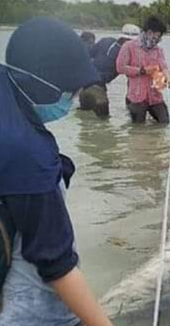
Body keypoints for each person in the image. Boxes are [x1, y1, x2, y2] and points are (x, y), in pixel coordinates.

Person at [0, 17, 114, 326]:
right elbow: (56, 264)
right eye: (70, 91)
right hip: (27, 312)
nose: (73, 99)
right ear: (42, 83)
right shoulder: (26, 154)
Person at [117, 16, 170, 125]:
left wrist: (169, 79)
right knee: (138, 129)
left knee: (165, 123)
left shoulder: (158, 50)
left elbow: (164, 66)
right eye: (159, 35)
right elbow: (120, 67)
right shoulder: (129, 46)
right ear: (150, 32)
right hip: (137, 96)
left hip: (155, 95)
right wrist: (142, 71)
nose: (159, 39)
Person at [79, 24, 140, 117]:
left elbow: (87, 55)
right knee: (104, 122)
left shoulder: (106, 41)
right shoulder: (126, 54)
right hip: (98, 91)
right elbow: (132, 81)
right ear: (127, 40)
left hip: (83, 87)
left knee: (85, 122)